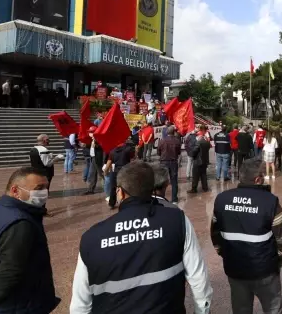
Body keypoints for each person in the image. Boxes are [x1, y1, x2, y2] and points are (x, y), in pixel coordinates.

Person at [70, 161, 213, 313]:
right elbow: (198, 278)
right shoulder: (176, 220)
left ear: (120, 192)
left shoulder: (92, 238)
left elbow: (80, 304)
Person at [211, 158, 282, 314]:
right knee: (273, 308)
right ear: (257, 179)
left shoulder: (222, 199)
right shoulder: (270, 201)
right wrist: (279, 258)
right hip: (265, 269)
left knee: (241, 309)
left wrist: (224, 253)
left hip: (235, 268)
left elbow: (215, 234)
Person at [0, 167, 59, 313]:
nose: (44, 193)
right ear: (15, 190)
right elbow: (9, 274)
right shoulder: (20, 224)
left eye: (46, 187)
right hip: (16, 306)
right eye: (39, 188)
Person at [105, 138, 135, 209]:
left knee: (113, 187)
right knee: (126, 187)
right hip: (125, 170)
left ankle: (112, 203)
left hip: (115, 171)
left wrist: (105, 171)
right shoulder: (128, 149)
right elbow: (133, 159)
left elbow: (109, 162)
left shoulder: (112, 151)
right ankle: (127, 201)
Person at [157, 125, 182, 204]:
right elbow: (178, 152)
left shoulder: (162, 141)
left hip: (164, 161)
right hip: (173, 161)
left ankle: (162, 198)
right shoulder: (177, 141)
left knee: (162, 180)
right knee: (174, 181)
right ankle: (174, 199)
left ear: (167, 132)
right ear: (174, 132)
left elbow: (158, 152)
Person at [83, 127, 105, 195]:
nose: (89, 133)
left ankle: (110, 187)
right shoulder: (92, 139)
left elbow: (101, 147)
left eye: (91, 132)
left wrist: (96, 144)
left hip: (98, 159)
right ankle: (90, 189)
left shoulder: (99, 139)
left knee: (102, 174)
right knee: (92, 174)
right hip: (93, 158)